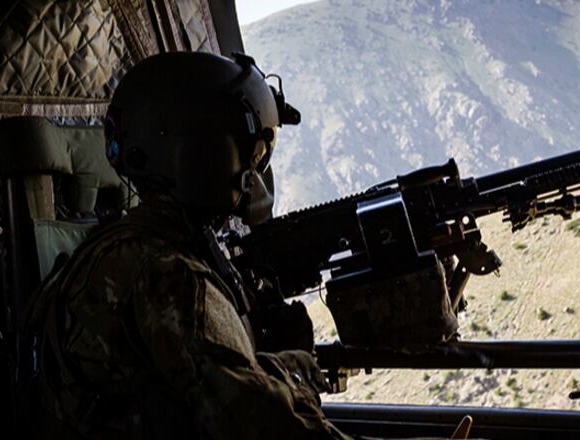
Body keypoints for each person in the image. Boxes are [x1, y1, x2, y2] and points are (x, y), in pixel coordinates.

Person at [29, 51, 350, 439]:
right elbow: (265, 427)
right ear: (207, 154)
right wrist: (298, 366)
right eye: (254, 154)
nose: (255, 172)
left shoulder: (125, 246)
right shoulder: (170, 275)